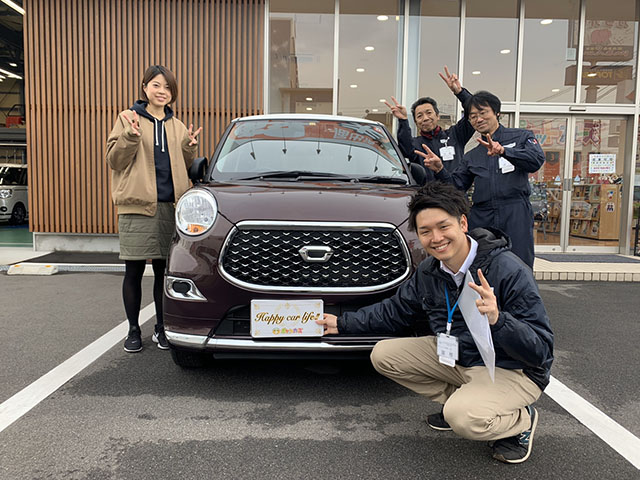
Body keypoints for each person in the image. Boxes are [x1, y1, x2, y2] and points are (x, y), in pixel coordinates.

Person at [317, 181, 553, 464]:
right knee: (383, 355)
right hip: (462, 357)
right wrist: (343, 323)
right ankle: (463, 400)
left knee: (464, 418)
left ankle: (520, 421)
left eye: (443, 227)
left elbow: (540, 350)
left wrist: (498, 320)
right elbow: (396, 310)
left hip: (511, 368)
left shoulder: (507, 269)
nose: (436, 238)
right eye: (425, 231)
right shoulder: (430, 270)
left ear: (462, 223)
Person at [106, 65, 201, 353]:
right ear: (145, 86)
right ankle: (133, 329)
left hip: (171, 207)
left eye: (168, 87)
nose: (162, 91)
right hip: (137, 206)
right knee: (133, 270)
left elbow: (187, 167)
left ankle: (161, 327)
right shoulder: (127, 118)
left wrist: (190, 148)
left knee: (164, 272)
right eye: (157, 85)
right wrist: (130, 136)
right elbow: (114, 161)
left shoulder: (177, 126)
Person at [417, 90, 545, 268]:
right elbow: (456, 186)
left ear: (497, 112)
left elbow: (536, 160)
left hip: (515, 210)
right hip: (482, 215)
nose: (478, 119)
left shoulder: (521, 137)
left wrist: (504, 151)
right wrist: (440, 169)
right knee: (480, 263)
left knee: (519, 263)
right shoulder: (472, 155)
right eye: (473, 116)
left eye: (483, 113)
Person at [385, 66, 475, 179]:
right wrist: (403, 120)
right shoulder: (416, 144)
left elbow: (474, 111)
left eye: (429, 113)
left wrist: (459, 92)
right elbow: (405, 148)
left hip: (455, 189)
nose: (425, 118)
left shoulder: (455, 135)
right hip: (428, 190)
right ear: (416, 122)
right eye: (419, 116)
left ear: (437, 116)